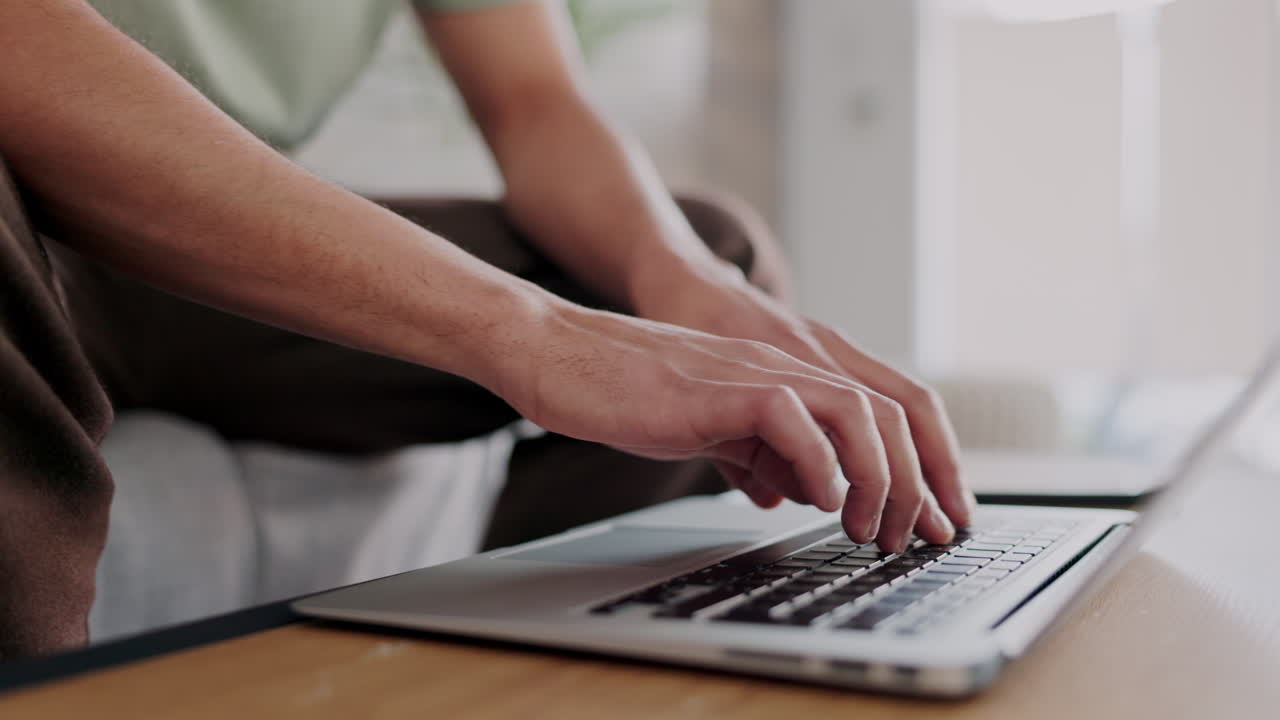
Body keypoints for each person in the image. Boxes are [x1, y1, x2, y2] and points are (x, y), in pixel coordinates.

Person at [0, 0, 975, 659]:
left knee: (703, 255)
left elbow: (535, 101)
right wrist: (536, 335)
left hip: (193, 260)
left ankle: (521, 684)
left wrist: (690, 282)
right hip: (26, 208)